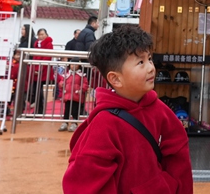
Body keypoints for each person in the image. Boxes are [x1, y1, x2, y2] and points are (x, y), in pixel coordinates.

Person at [62, 25, 193, 194]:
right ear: (115, 79)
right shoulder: (104, 123)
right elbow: (82, 183)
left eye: (150, 59)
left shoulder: (160, 109)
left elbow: (178, 157)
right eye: (140, 62)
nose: (151, 67)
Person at [28, 28, 54, 115]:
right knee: (36, 91)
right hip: (37, 69)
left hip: (43, 71)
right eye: (39, 35)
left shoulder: (48, 44)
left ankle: (39, 110)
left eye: (42, 34)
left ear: (46, 34)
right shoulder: (37, 44)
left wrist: (39, 69)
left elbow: (47, 57)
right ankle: (38, 109)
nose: (40, 36)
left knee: (38, 91)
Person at [59, 64, 89, 132]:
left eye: (76, 65)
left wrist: (82, 89)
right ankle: (65, 123)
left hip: (76, 95)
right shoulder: (67, 74)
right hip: (68, 95)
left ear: (79, 66)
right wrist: (61, 84)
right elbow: (61, 81)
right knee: (66, 110)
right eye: (72, 65)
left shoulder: (81, 75)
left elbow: (85, 84)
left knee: (75, 110)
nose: (73, 66)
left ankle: (74, 123)